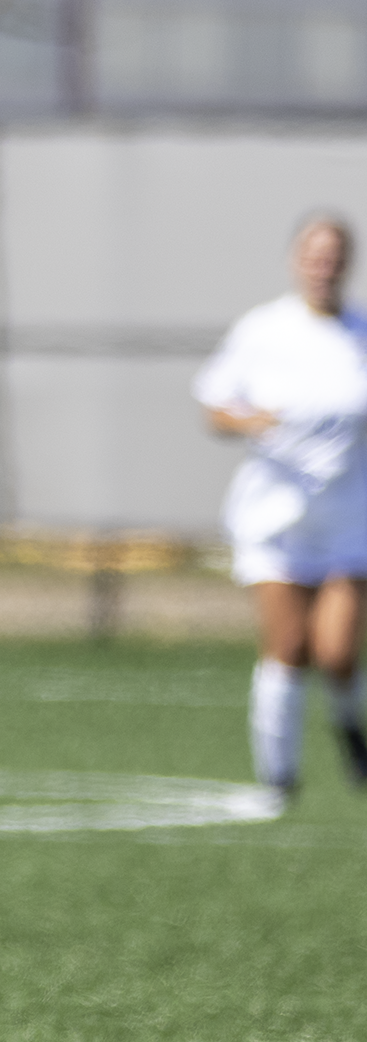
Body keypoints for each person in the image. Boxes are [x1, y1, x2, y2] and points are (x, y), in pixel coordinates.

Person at [195, 212, 367, 794]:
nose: (324, 266)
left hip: (347, 519)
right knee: (289, 647)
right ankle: (278, 780)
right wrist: (252, 420)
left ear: (347, 264)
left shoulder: (360, 333)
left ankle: (349, 728)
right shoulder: (264, 329)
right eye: (314, 255)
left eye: (334, 256)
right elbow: (216, 407)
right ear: (296, 260)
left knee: (337, 652)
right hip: (276, 520)